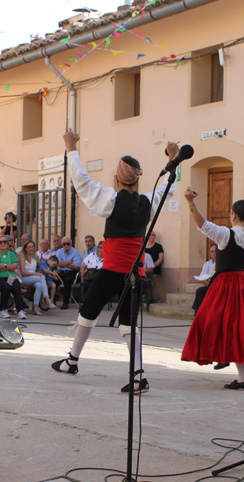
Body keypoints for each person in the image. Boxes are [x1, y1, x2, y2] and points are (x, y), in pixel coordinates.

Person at [51, 128, 179, 394]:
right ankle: (138, 376)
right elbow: (168, 188)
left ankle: (72, 361)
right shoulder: (148, 202)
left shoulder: (111, 200)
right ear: (137, 179)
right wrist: (174, 161)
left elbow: (82, 181)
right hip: (135, 273)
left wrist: (71, 148)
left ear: (118, 178)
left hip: (111, 271)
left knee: (87, 313)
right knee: (129, 323)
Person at [181, 191, 244, 390]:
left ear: (233, 215)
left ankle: (229, 364)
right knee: (238, 327)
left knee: (208, 321)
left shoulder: (226, 234)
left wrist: (190, 202)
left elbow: (202, 224)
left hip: (227, 284)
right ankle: (237, 371)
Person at [0, 235, 27, 320]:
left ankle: (20, 310)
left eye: (5, 242)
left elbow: (15, 266)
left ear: (7, 244)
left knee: (16, 288)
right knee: (6, 288)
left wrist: (3, 266)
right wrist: (9, 266)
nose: (3, 243)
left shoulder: (11, 254)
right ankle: (3, 309)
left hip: (10, 276)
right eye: (0, 242)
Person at [19, 240, 56, 314]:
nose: (31, 248)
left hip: (33, 278)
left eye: (32, 246)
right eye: (29, 247)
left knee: (39, 285)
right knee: (41, 277)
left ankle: (35, 308)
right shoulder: (22, 257)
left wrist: (50, 269)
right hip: (23, 278)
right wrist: (37, 274)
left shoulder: (35, 256)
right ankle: (47, 300)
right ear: (25, 248)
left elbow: (41, 266)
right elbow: (23, 272)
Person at [52, 236, 82, 309]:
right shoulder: (59, 252)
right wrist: (69, 262)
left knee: (67, 281)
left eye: (68, 244)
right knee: (53, 280)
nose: (66, 245)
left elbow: (75, 266)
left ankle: (65, 303)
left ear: (71, 244)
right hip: (61, 272)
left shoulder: (75, 252)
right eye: (64, 244)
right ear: (62, 244)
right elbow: (57, 263)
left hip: (72, 273)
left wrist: (63, 263)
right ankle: (52, 301)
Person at [191, 244, 217, 312]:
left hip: (219, 286)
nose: (214, 253)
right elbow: (201, 278)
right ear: (209, 253)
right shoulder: (207, 264)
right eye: (212, 251)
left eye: (215, 251)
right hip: (210, 285)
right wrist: (209, 284)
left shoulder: (222, 263)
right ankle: (197, 313)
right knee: (200, 291)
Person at [144, 231, 165, 301]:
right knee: (143, 286)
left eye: (153, 235)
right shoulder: (143, 246)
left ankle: (148, 301)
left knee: (150, 286)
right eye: (149, 235)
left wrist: (152, 266)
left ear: (155, 237)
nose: (151, 236)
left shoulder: (158, 246)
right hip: (144, 270)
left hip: (154, 270)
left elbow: (160, 258)